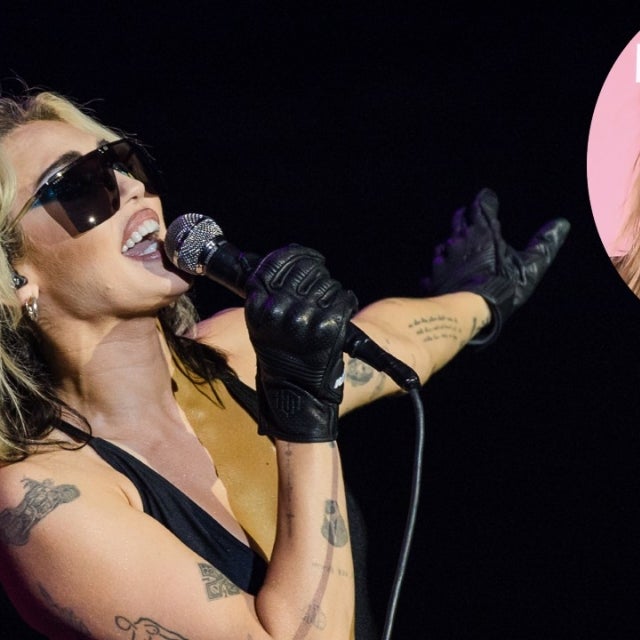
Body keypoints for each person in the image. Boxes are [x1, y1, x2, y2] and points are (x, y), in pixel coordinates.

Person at [0, 89, 570, 639]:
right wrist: (303, 421)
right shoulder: (44, 499)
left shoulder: (230, 355)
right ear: (16, 274)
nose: (131, 188)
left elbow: (391, 340)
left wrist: (481, 298)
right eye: (80, 185)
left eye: (121, 162)